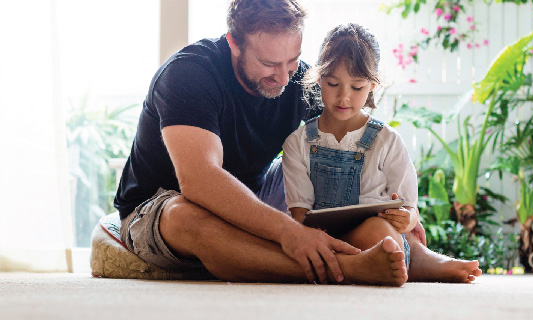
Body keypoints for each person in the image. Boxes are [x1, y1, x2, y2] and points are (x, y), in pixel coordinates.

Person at [112, 0, 408, 286]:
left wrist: (399, 205)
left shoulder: (297, 78)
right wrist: (288, 232)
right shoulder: (189, 74)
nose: (283, 77)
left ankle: (420, 258)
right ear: (234, 43)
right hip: (162, 205)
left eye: (292, 60)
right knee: (184, 216)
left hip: (256, 195)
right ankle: (344, 269)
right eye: (269, 63)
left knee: (324, 159)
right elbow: (199, 181)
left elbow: (352, 139)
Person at [282, 23, 482, 283]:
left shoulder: (386, 140)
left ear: (373, 85)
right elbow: (299, 216)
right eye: (333, 84)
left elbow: (411, 209)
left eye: (357, 87)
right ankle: (400, 264)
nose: (344, 97)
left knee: (380, 234)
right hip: (323, 239)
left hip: (376, 234)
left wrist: (406, 218)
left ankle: (402, 261)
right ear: (319, 79)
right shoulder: (298, 143)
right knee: (375, 240)